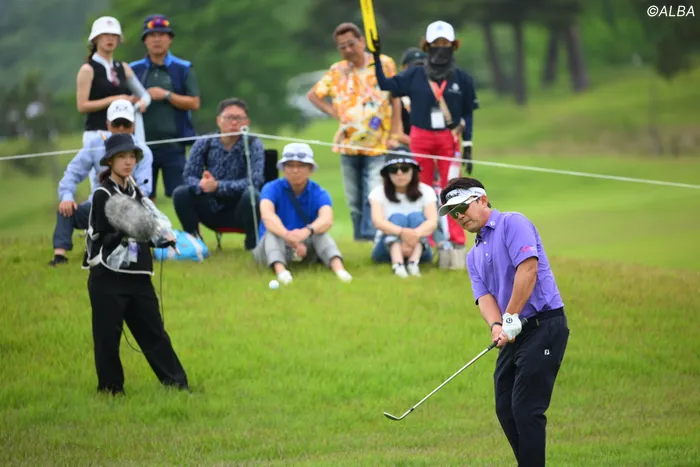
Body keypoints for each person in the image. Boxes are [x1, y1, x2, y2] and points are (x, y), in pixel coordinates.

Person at [438, 177, 570, 467]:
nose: (459, 216)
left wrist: (510, 316)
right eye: (453, 212)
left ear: (482, 200)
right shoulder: (473, 255)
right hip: (514, 331)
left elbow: (528, 269)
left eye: (462, 207)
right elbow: (484, 296)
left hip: (544, 325)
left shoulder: (513, 223)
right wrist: (496, 325)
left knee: (526, 408)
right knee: (505, 407)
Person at [84, 133, 189, 395]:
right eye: (122, 157)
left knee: (155, 333)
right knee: (107, 339)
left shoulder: (138, 194)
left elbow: (145, 233)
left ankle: (177, 385)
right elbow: (106, 237)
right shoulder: (102, 194)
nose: (128, 161)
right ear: (110, 161)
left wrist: (160, 238)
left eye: (131, 156)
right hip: (108, 277)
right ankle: (111, 391)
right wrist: (136, 227)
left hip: (139, 276)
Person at [371, 20, 480, 262]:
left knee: (454, 190)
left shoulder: (463, 78)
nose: (441, 48)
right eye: (435, 43)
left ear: (453, 46)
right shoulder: (414, 74)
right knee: (422, 189)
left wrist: (468, 144)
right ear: (427, 46)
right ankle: (426, 241)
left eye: (445, 43)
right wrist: (376, 58)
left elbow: (468, 114)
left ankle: (456, 241)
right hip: (420, 137)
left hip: (449, 138)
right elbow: (385, 84)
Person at [306, 22, 402, 242]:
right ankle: (359, 238)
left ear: (361, 41)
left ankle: (371, 237)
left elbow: (395, 99)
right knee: (353, 198)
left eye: (351, 44)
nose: (348, 50)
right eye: (342, 47)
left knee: (372, 192)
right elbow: (313, 95)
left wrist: (395, 133)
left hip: (377, 143)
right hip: (347, 144)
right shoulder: (337, 70)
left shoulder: (383, 64)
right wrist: (333, 111)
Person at [50, 100, 153, 267]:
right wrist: (67, 197)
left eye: (126, 124)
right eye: (116, 124)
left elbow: (145, 189)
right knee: (66, 208)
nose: (121, 129)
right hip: (96, 206)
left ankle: (135, 254)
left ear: (133, 126)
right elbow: (73, 172)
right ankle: (59, 257)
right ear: (108, 124)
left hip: (128, 208)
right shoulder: (95, 144)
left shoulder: (143, 151)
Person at [253, 143, 352, 285]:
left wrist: (306, 232)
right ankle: (281, 272)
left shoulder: (319, 192)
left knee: (321, 233)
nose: (295, 170)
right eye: (290, 165)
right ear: (283, 169)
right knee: (272, 234)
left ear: (310, 169)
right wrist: (288, 236)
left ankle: (339, 270)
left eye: (301, 166)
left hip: (305, 243)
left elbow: (327, 219)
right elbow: (268, 216)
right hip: (274, 244)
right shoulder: (271, 188)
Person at [172, 98, 263, 251]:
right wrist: (201, 185)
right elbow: (188, 176)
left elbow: (255, 180)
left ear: (246, 122)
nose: (234, 123)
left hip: (241, 208)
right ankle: (194, 244)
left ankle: (253, 246)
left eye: (239, 118)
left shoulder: (253, 144)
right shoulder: (204, 142)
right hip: (210, 206)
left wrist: (218, 186)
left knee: (252, 195)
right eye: (228, 118)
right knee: (181, 193)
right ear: (218, 120)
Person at [129, 14, 201, 201]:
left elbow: (194, 102)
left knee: (182, 195)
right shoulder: (132, 70)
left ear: (170, 39)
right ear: (145, 40)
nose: (157, 39)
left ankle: (189, 225)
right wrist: (135, 101)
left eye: (162, 35)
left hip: (174, 145)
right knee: (144, 198)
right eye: (152, 35)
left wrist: (166, 95)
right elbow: (123, 102)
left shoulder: (183, 68)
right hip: (141, 146)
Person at [77, 16, 151, 147]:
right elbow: (82, 106)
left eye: (114, 35)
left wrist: (141, 104)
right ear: (96, 39)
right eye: (105, 34)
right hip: (97, 134)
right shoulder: (87, 69)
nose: (110, 38)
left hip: (123, 135)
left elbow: (144, 95)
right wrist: (117, 99)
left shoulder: (123, 67)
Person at [368, 151, 437, 277]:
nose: (399, 173)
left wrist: (415, 234)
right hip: (385, 249)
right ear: (387, 174)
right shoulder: (377, 192)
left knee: (416, 216)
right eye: (394, 170)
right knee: (397, 217)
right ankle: (398, 264)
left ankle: (413, 263)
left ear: (412, 171)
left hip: (419, 248)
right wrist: (402, 233)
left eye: (404, 169)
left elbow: (432, 222)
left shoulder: (426, 191)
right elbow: (378, 222)